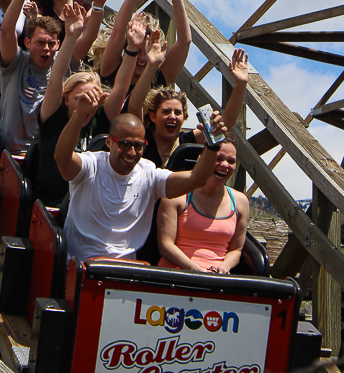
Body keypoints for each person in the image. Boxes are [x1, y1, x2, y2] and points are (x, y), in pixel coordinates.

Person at [54, 107, 226, 263]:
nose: (132, 152)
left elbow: (196, 180)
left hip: (126, 269)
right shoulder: (91, 164)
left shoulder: (148, 173)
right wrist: (78, 114)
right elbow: (62, 158)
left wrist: (213, 145)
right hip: (79, 265)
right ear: (109, 142)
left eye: (138, 146)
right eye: (124, 144)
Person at [34, 6, 143, 209]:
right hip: (50, 207)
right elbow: (56, 80)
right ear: (66, 100)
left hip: (88, 208)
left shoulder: (99, 119)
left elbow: (120, 88)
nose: (86, 104)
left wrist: (132, 50)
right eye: (80, 98)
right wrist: (71, 36)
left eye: (92, 98)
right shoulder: (54, 118)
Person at [131, 47, 249, 168]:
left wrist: (240, 84)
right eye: (166, 112)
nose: (172, 116)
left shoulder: (187, 141)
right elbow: (135, 104)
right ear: (153, 116)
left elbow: (225, 123)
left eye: (177, 113)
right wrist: (151, 66)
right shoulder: (143, 138)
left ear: (184, 118)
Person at [91, 0, 192, 91]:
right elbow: (118, 32)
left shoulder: (160, 77)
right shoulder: (111, 68)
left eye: (148, 51)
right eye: (137, 51)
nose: (143, 58)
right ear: (125, 49)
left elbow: (185, 41)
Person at [157, 134, 249, 274]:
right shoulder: (177, 194)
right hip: (178, 273)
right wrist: (195, 269)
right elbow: (166, 245)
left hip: (216, 277)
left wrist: (225, 267)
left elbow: (236, 249)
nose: (224, 165)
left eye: (231, 161)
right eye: (218, 159)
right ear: (204, 159)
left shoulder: (240, 202)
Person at [0, 0, 61, 153]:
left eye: (51, 44)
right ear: (27, 43)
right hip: (11, 154)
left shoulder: (60, 68)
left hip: (42, 157)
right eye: (41, 43)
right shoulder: (17, 62)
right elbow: (7, 31)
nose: (47, 49)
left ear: (58, 45)